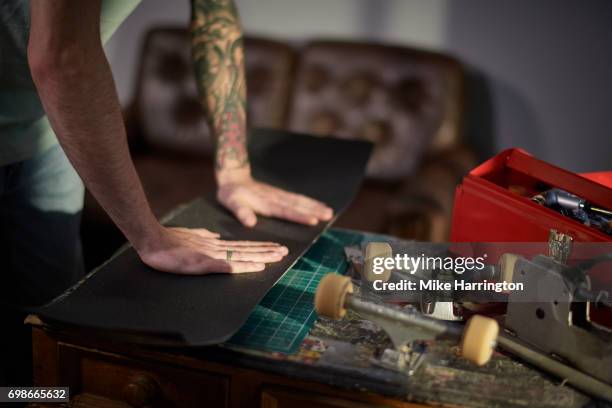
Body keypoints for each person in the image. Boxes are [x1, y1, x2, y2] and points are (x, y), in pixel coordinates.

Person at [0, 0, 332, 386]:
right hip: (49, 96)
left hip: (43, 133)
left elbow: (215, 17)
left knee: (50, 329)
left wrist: (235, 170)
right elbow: (63, 58)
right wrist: (150, 236)